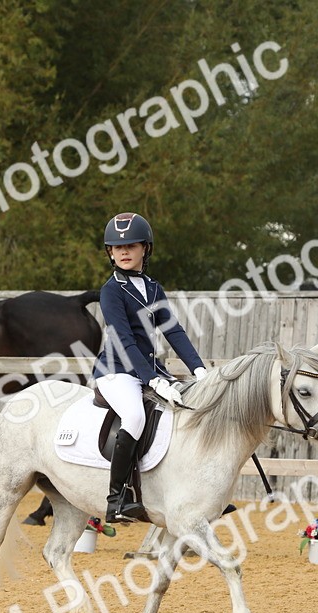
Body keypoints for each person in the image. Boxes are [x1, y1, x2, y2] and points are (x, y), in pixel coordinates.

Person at [92, 212, 208, 524]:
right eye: (117, 248)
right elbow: (125, 340)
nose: (123, 252)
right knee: (134, 416)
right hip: (116, 370)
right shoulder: (111, 290)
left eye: (131, 245)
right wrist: (153, 379)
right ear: (110, 253)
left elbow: (174, 331)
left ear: (146, 248)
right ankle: (116, 498)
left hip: (147, 369)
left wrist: (199, 370)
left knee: (187, 408)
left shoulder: (154, 289)